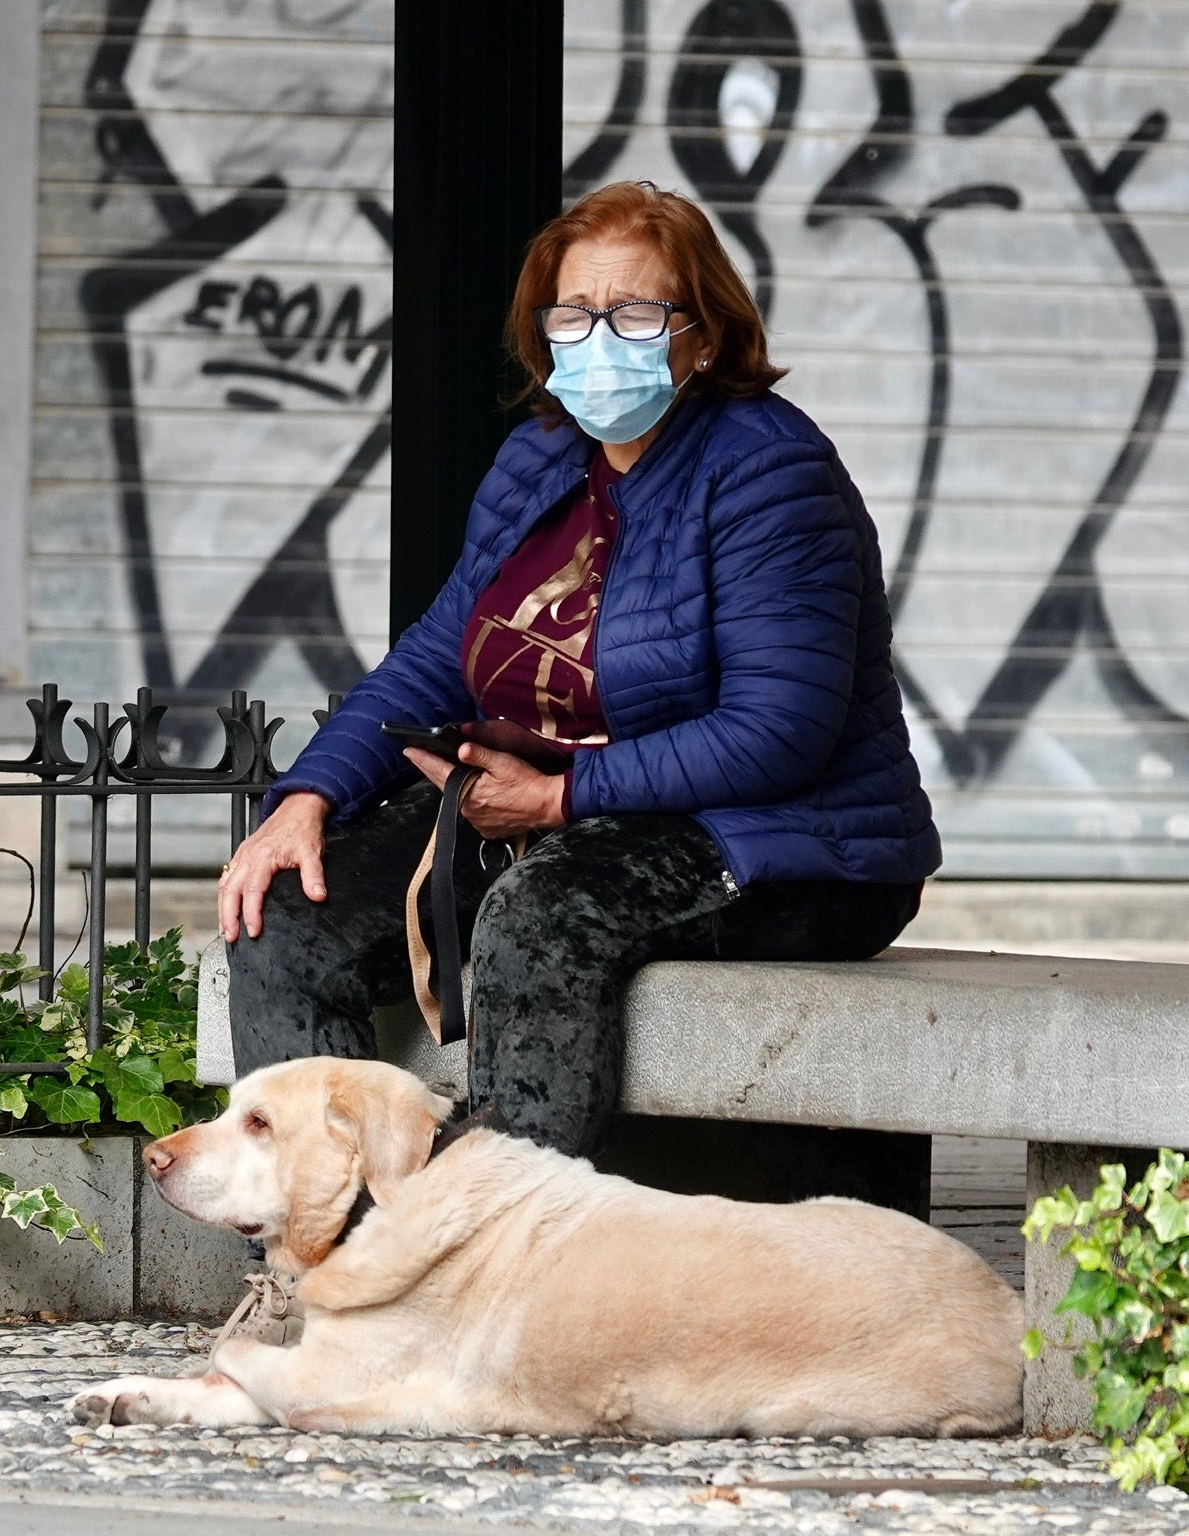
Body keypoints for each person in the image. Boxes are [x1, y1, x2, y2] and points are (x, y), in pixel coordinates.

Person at [219, 178, 940, 1183]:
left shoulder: (771, 469)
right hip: (566, 815)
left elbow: (783, 728)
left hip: (790, 847)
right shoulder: (540, 458)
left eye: (636, 311)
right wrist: (307, 796)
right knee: (292, 915)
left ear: (702, 335)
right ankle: (332, 1264)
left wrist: (563, 798)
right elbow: (439, 652)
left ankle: (491, 1260)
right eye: (575, 312)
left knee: (544, 915)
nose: (601, 337)